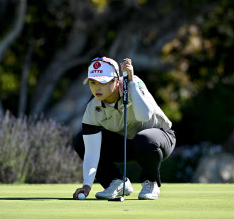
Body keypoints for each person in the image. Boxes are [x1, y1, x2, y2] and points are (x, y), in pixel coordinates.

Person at [72, 57, 176, 200]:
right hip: (127, 143)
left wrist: (131, 83)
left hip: (159, 140)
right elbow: (91, 152)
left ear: (116, 81)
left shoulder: (133, 83)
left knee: (144, 139)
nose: (97, 88)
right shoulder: (93, 108)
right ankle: (116, 182)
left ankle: (150, 182)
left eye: (103, 82)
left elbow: (144, 115)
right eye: (92, 82)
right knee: (81, 140)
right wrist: (86, 186)